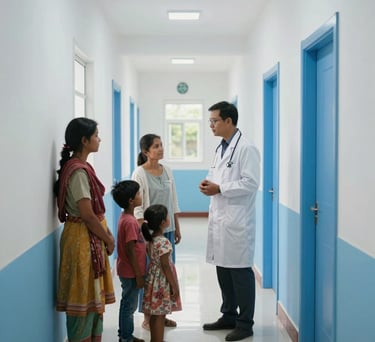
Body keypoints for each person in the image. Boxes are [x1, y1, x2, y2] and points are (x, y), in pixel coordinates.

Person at [199, 101, 260, 342]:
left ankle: (245, 324)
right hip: (221, 218)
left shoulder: (246, 148)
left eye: (214, 121)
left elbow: (250, 183)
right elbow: (217, 175)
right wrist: (208, 184)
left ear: (228, 121)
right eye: (210, 121)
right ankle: (228, 315)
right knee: (223, 270)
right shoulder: (221, 148)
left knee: (240, 273)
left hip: (237, 221)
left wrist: (220, 188)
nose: (211, 125)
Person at [54, 117, 116, 342]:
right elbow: (88, 215)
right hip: (81, 241)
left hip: (88, 239)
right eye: (96, 135)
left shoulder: (82, 167)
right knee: (82, 297)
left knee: (93, 299)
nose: (99, 139)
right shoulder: (78, 172)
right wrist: (109, 239)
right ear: (84, 140)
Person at [131, 133, 181, 330]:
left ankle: (162, 313)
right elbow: (138, 206)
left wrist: (176, 226)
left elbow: (174, 200)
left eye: (161, 145)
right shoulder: (139, 173)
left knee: (167, 272)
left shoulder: (167, 170)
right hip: (149, 233)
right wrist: (144, 234)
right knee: (151, 275)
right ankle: (148, 317)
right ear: (146, 151)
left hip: (166, 230)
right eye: (156, 146)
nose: (161, 149)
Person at [111, 180, 147, 342]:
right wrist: (139, 275)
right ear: (131, 201)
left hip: (127, 270)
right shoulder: (130, 222)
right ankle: (125, 338)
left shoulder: (125, 217)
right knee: (129, 306)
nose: (141, 196)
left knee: (127, 304)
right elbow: (131, 250)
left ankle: (126, 335)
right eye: (138, 194)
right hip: (131, 272)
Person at [141, 204, 182, 342]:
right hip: (162, 282)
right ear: (163, 222)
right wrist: (174, 285)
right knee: (160, 315)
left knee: (155, 313)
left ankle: (155, 339)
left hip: (153, 280)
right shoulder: (164, 242)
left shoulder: (151, 240)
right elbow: (165, 266)